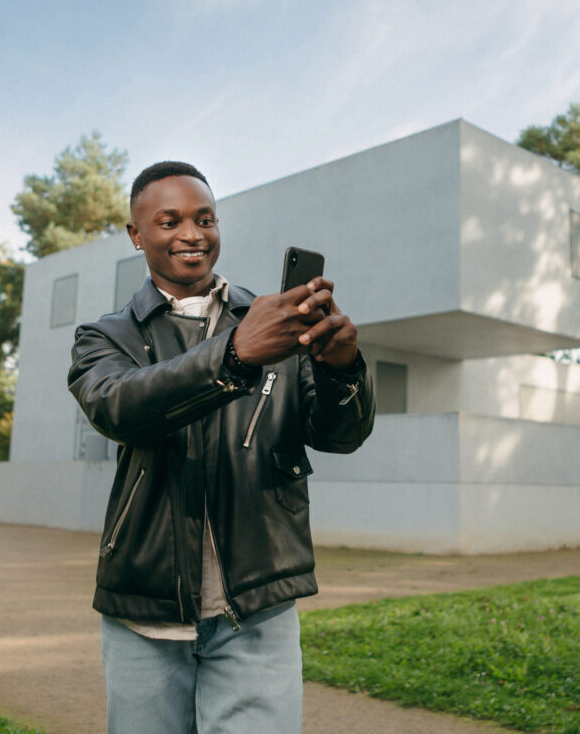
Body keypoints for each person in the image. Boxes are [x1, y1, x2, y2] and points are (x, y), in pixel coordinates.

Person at [68, 161, 376, 734]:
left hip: (259, 607)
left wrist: (342, 370)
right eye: (170, 221)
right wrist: (234, 356)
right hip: (145, 610)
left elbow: (342, 436)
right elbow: (119, 407)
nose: (192, 233)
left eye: (205, 218)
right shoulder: (104, 336)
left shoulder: (272, 322)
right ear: (137, 235)